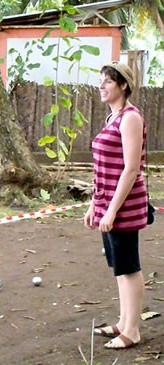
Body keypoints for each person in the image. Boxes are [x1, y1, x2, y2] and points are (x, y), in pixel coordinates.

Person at [84, 61, 148, 349]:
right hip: (107, 203)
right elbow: (103, 168)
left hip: (124, 206)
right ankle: (123, 322)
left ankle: (133, 330)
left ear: (123, 85)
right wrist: (93, 206)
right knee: (119, 267)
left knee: (129, 266)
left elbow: (131, 169)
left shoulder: (131, 118)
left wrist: (111, 210)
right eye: (100, 80)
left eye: (108, 81)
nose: (101, 86)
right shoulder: (112, 119)